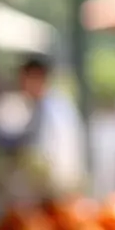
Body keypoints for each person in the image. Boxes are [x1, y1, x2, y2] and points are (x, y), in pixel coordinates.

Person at [17, 56, 86, 190]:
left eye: (24, 80)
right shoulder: (42, 105)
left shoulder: (56, 107)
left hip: (60, 185)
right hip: (53, 182)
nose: (22, 86)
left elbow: (59, 153)